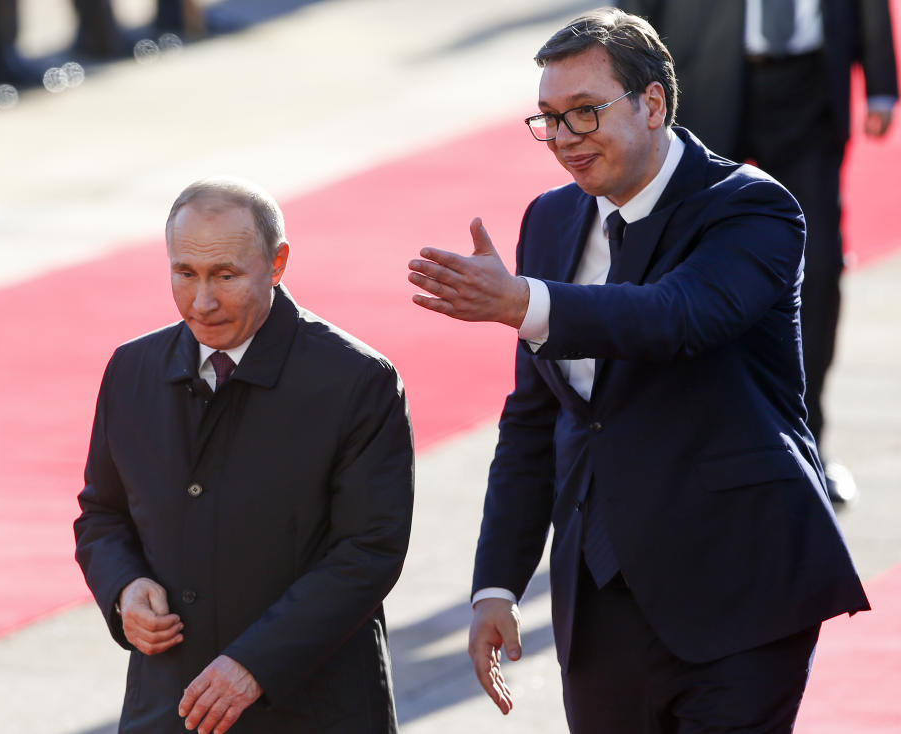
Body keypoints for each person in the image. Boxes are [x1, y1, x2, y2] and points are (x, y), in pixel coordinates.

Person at [407, 9, 868, 733]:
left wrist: (525, 301)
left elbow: (675, 318)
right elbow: (534, 421)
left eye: (584, 113)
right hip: (600, 600)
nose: (563, 139)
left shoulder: (752, 208)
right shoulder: (551, 221)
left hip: (739, 590)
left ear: (652, 103)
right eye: (548, 119)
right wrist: (494, 586)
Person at [75, 177, 414, 733]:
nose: (202, 302)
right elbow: (102, 514)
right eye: (184, 274)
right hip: (169, 708)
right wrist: (123, 589)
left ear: (277, 264)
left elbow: (369, 551)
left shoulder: (357, 381)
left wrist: (256, 663)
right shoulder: (131, 370)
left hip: (315, 711)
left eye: (225, 276)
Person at [622, 0, 899, 503]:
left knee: (817, 272)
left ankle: (806, 441)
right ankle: (687, 442)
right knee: (683, 263)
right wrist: (621, 73)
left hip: (809, 89)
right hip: (703, 73)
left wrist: (881, 81)